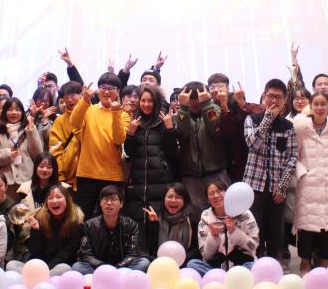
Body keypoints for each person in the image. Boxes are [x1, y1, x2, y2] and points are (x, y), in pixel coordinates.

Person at [242, 79, 298, 260]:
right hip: (253, 187)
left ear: (284, 100)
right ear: (264, 97)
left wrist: (282, 185)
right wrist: (267, 120)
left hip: (276, 188)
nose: (274, 100)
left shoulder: (288, 126)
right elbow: (253, 144)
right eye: (270, 96)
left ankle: (274, 265)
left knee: (276, 233)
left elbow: (292, 157)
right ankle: (254, 264)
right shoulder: (251, 119)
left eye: (278, 97)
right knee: (254, 230)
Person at [292, 93, 328, 271]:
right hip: (307, 184)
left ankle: (324, 263)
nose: (319, 107)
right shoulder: (300, 128)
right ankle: (305, 262)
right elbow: (294, 155)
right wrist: (303, 174)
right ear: (310, 106)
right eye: (315, 104)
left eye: (323, 104)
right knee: (306, 226)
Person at [68, 74, 131, 219]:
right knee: (82, 218)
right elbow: (74, 124)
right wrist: (84, 100)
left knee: (111, 218)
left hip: (112, 175)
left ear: (118, 91)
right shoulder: (88, 109)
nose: (106, 91)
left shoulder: (123, 115)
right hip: (87, 173)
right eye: (103, 87)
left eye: (111, 88)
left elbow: (119, 139)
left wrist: (116, 112)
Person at [124, 86, 177, 223]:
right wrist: (130, 133)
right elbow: (130, 152)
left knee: (158, 221)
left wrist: (170, 129)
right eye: (143, 100)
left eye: (150, 101)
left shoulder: (164, 120)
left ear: (156, 102)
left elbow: (172, 152)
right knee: (138, 219)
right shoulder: (134, 121)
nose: (146, 104)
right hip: (138, 179)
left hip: (161, 178)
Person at [174, 82, 229, 210]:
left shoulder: (213, 109)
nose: (194, 104)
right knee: (195, 214)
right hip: (190, 175)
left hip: (216, 171)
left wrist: (206, 104)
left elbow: (214, 130)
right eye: (191, 100)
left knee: (223, 209)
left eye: (197, 100)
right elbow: (182, 134)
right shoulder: (181, 113)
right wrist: (183, 107)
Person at [186, 179, 259, 274]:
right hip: (215, 268)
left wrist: (235, 232)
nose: (216, 195)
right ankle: (221, 278)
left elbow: (253, 247)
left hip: (241, 265)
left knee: (252, 266)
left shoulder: (245, 214)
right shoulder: (205, 219)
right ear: (208, 199)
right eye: (211, 193)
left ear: (228, 193)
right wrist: (213, 236)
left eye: (219, 191)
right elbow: (206, 255)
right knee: (192, 264)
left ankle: (229, 278)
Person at [73, 185, 149, 274]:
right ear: (100, 203)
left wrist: (117, 268)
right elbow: (86, 254)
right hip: (98, 266)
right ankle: (113, 276)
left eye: (113, 199)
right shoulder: (89, 225)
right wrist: (103, 267)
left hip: (122, 266)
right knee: (77, 266)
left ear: (121, 204)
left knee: (144, 262)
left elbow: (133, 254)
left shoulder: (131, 224)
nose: (109, 203)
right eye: (105, 199)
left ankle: (108, 276)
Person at [12, 184, 84, 275]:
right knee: (12, 264)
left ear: (67, 200)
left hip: (57, 267)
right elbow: (35, 252)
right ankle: (37, 278)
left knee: (64, 268)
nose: (54, 201)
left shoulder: (76, 222)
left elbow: (67, 253)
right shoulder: (39, 218)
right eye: (50, 198)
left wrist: (46, 270)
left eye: (58, 197)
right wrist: (36, 230)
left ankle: (38, 278)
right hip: (39, 266)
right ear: (46, 202)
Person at [0, 97, 44, 199]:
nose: (14, 112)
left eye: (18, 109)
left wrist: (32, 132)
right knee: (8, 208)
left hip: (27, 181)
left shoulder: (28, 129)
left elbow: (38, 155)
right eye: (10, 109)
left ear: (22, 112)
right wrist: (7, 154)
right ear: (4, 112)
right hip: (5, 183)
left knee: (27, 208)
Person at [142, 183, 200, 261]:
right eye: (170, 197)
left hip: (185, 261)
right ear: (164, 198)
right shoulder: (156, 216)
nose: (173, 200)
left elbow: (196, 249)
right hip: (159, 261)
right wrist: (154, 224)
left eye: (178, 197)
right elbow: (151, 249)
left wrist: (181, 260)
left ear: (184, 200)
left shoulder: (192, 217)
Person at [48, 81, 83, 186]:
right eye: (66, 97)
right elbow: (55, 150)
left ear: (81, 94)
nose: (69, 100)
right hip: (68, 178)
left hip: (91, 175)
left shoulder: (92, 114)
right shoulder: (59, 121)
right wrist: (60, 176)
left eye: (72, 95)